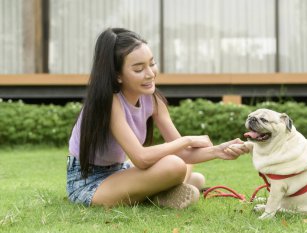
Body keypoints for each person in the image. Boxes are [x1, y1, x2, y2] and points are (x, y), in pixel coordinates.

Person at [66, 28, 249, 209]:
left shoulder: (153, 100)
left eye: (151, 64)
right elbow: (141, 158)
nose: (150, 73)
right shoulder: (110, 102)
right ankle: (162, 193)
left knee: (183, 165)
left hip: (118, 171)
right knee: (176, 165)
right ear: (118, 76)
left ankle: (163, 191)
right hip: (89, 182)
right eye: (139, 69)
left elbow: (184, 154)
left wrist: (218, 151)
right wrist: (188, 140)